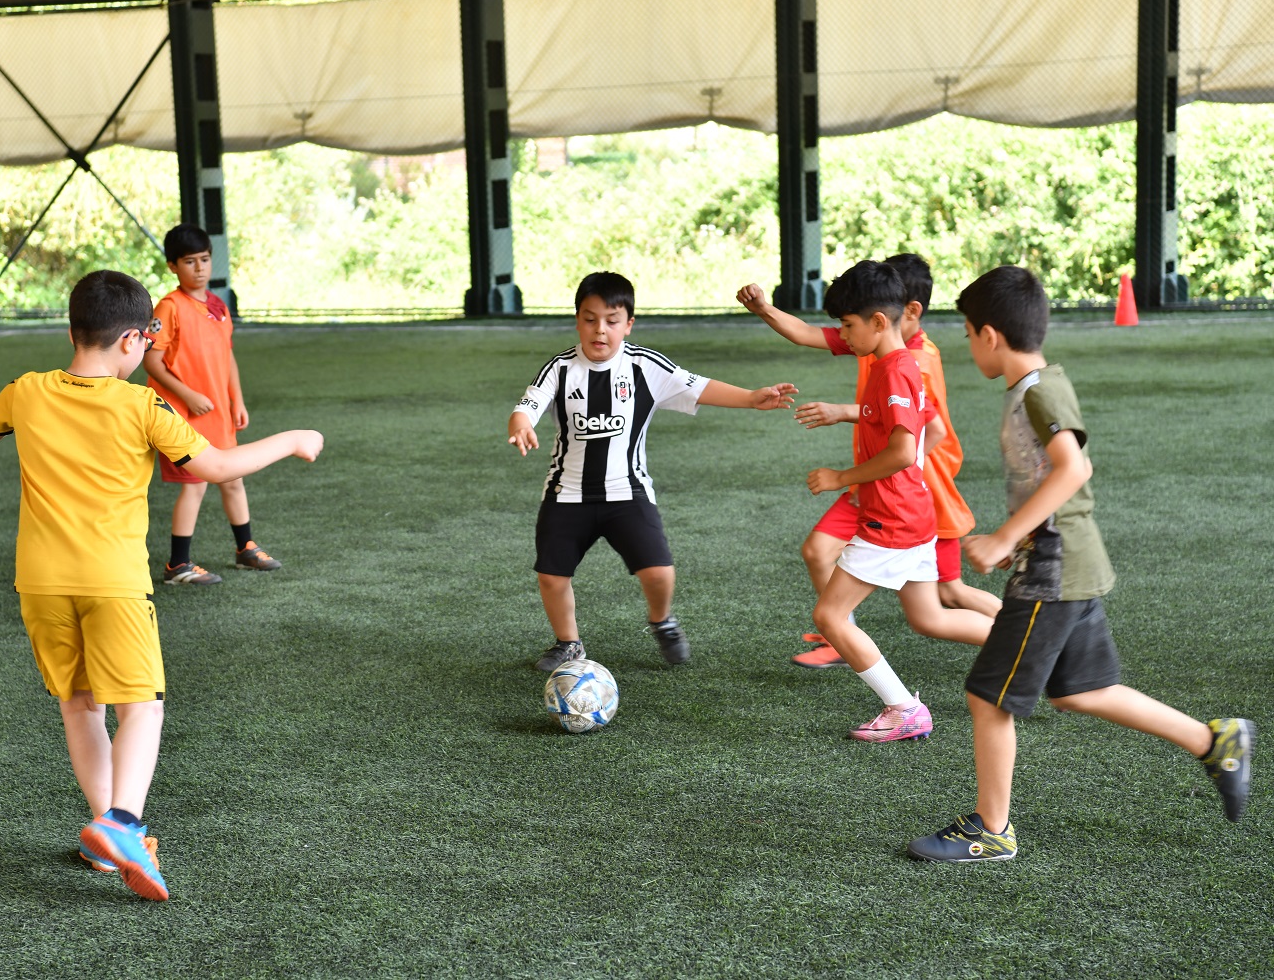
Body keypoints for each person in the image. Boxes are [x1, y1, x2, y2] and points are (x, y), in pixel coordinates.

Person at [0, 270, 323, 900]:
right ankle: (124, 823)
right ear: (135, 341)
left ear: (72, 330)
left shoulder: (26, 391)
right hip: (112, 582)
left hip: (41, 584)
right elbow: (214, 466)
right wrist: (293, 440)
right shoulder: (141, 406)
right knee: (143, 706)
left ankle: (106, 837)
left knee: (80, 703)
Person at [907, 265, 1252, 861]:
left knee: (988, 698)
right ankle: (1214, 740)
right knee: (1083, 690)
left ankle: (992, 830)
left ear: (990, 334)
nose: (968, 347)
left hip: (1052, 567)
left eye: (967, 335)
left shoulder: (1041, 390)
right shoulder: (1030, 388)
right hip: (1068, 563)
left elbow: (1074, 468)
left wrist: (1003, 537)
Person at [507, 271, 798, 670]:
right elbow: (529, 404)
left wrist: (751, 398)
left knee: (659, 571)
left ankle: (661, 621)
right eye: (590, 319)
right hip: (566, 493)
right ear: (577, 320)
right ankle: (568, 642)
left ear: (628, 324)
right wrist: (521, 424)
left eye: (611, 321)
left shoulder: (645, 366)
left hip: (629, 493)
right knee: (552, 577)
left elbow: (699, 387)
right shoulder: (559, 368)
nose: (600, 330)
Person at [737, 254, 999, 671]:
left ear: (893, 314)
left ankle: (901, 691)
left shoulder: (911, 363)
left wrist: (851, 471)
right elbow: (807, 334)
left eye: (847, 324)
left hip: (902, 497)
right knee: (832, 560)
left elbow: (921, 437)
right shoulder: (874, 344)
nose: (842, 333)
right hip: (882, 492)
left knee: (949, 593)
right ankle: (843, 638)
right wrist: (765, 309)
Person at [143, 223, 278, 585]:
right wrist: (187, 394)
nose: (200, 268)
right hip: (186, 415)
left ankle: (245, 548)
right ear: (173, 265)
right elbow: (151, 360)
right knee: (196, 484)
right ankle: (178, 565)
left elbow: (227, 356)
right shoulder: (169, 308)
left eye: (204, 259)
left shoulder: (218, 306)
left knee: (233, 478)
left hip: (218, 412)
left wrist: (237, 399)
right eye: (190, 261)